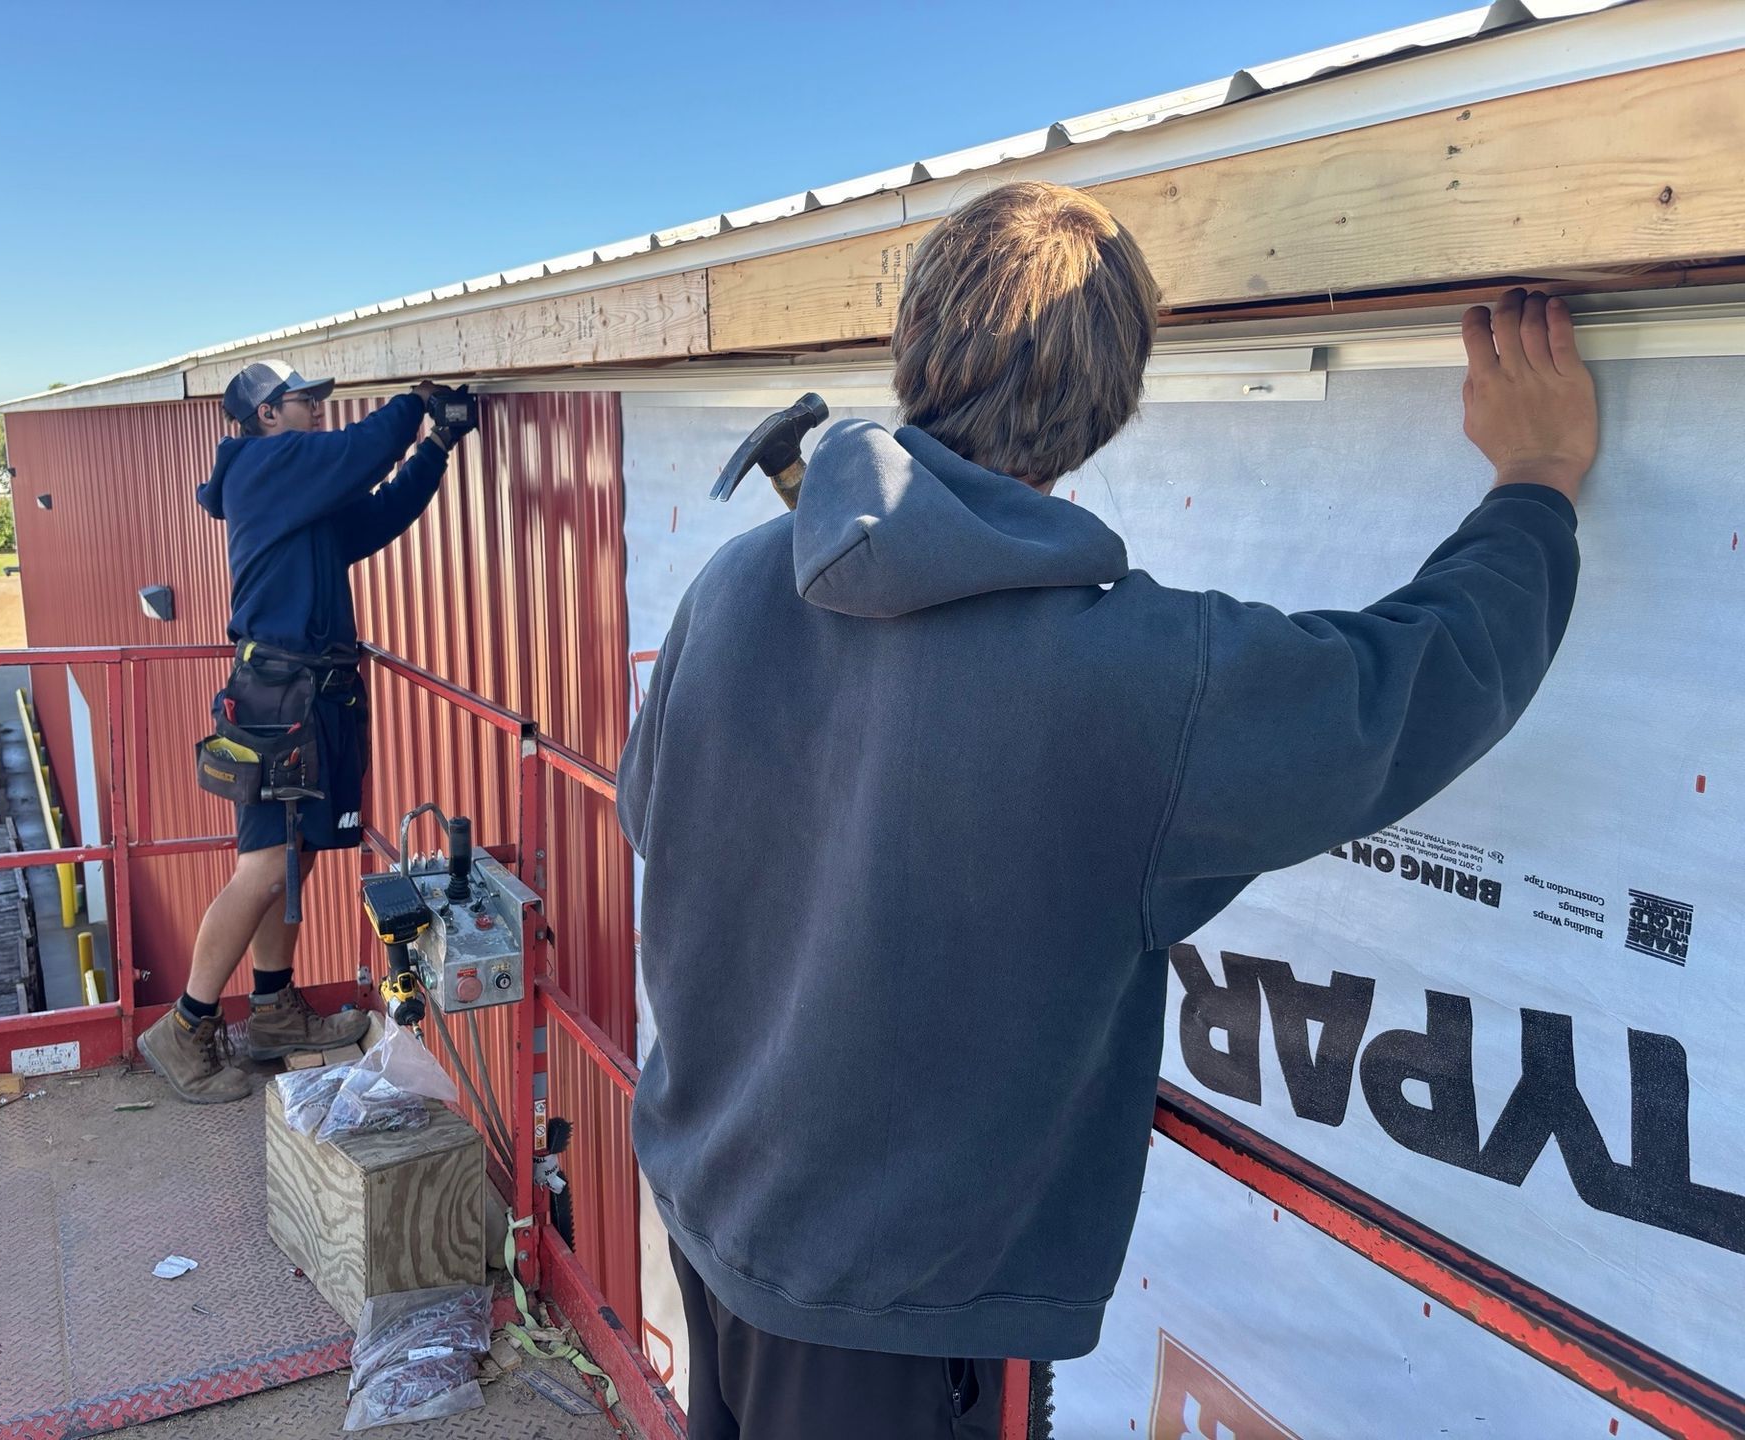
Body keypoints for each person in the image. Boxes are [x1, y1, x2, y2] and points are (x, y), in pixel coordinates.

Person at [618, 182, 1594, 1438]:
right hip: (893, 1316)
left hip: (711, 1209)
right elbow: (1413, 685)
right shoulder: (1134, 680)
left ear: (916, 349)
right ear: (1112, 403)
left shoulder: (738, 579)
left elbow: (660, 819)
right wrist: (1537, 482)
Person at [136, 361, 472, 1103]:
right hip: (277, 698)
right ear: (264, 416)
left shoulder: (298, 497)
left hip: (306, 695)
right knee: (263, 865)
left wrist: (436, 449)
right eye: (303, 402)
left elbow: (378, 516)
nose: (317, 411)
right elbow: (360, 453)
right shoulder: (265, 466)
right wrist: (416, 401)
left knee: (293, 857)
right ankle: (185, 1025)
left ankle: (272, 1008)